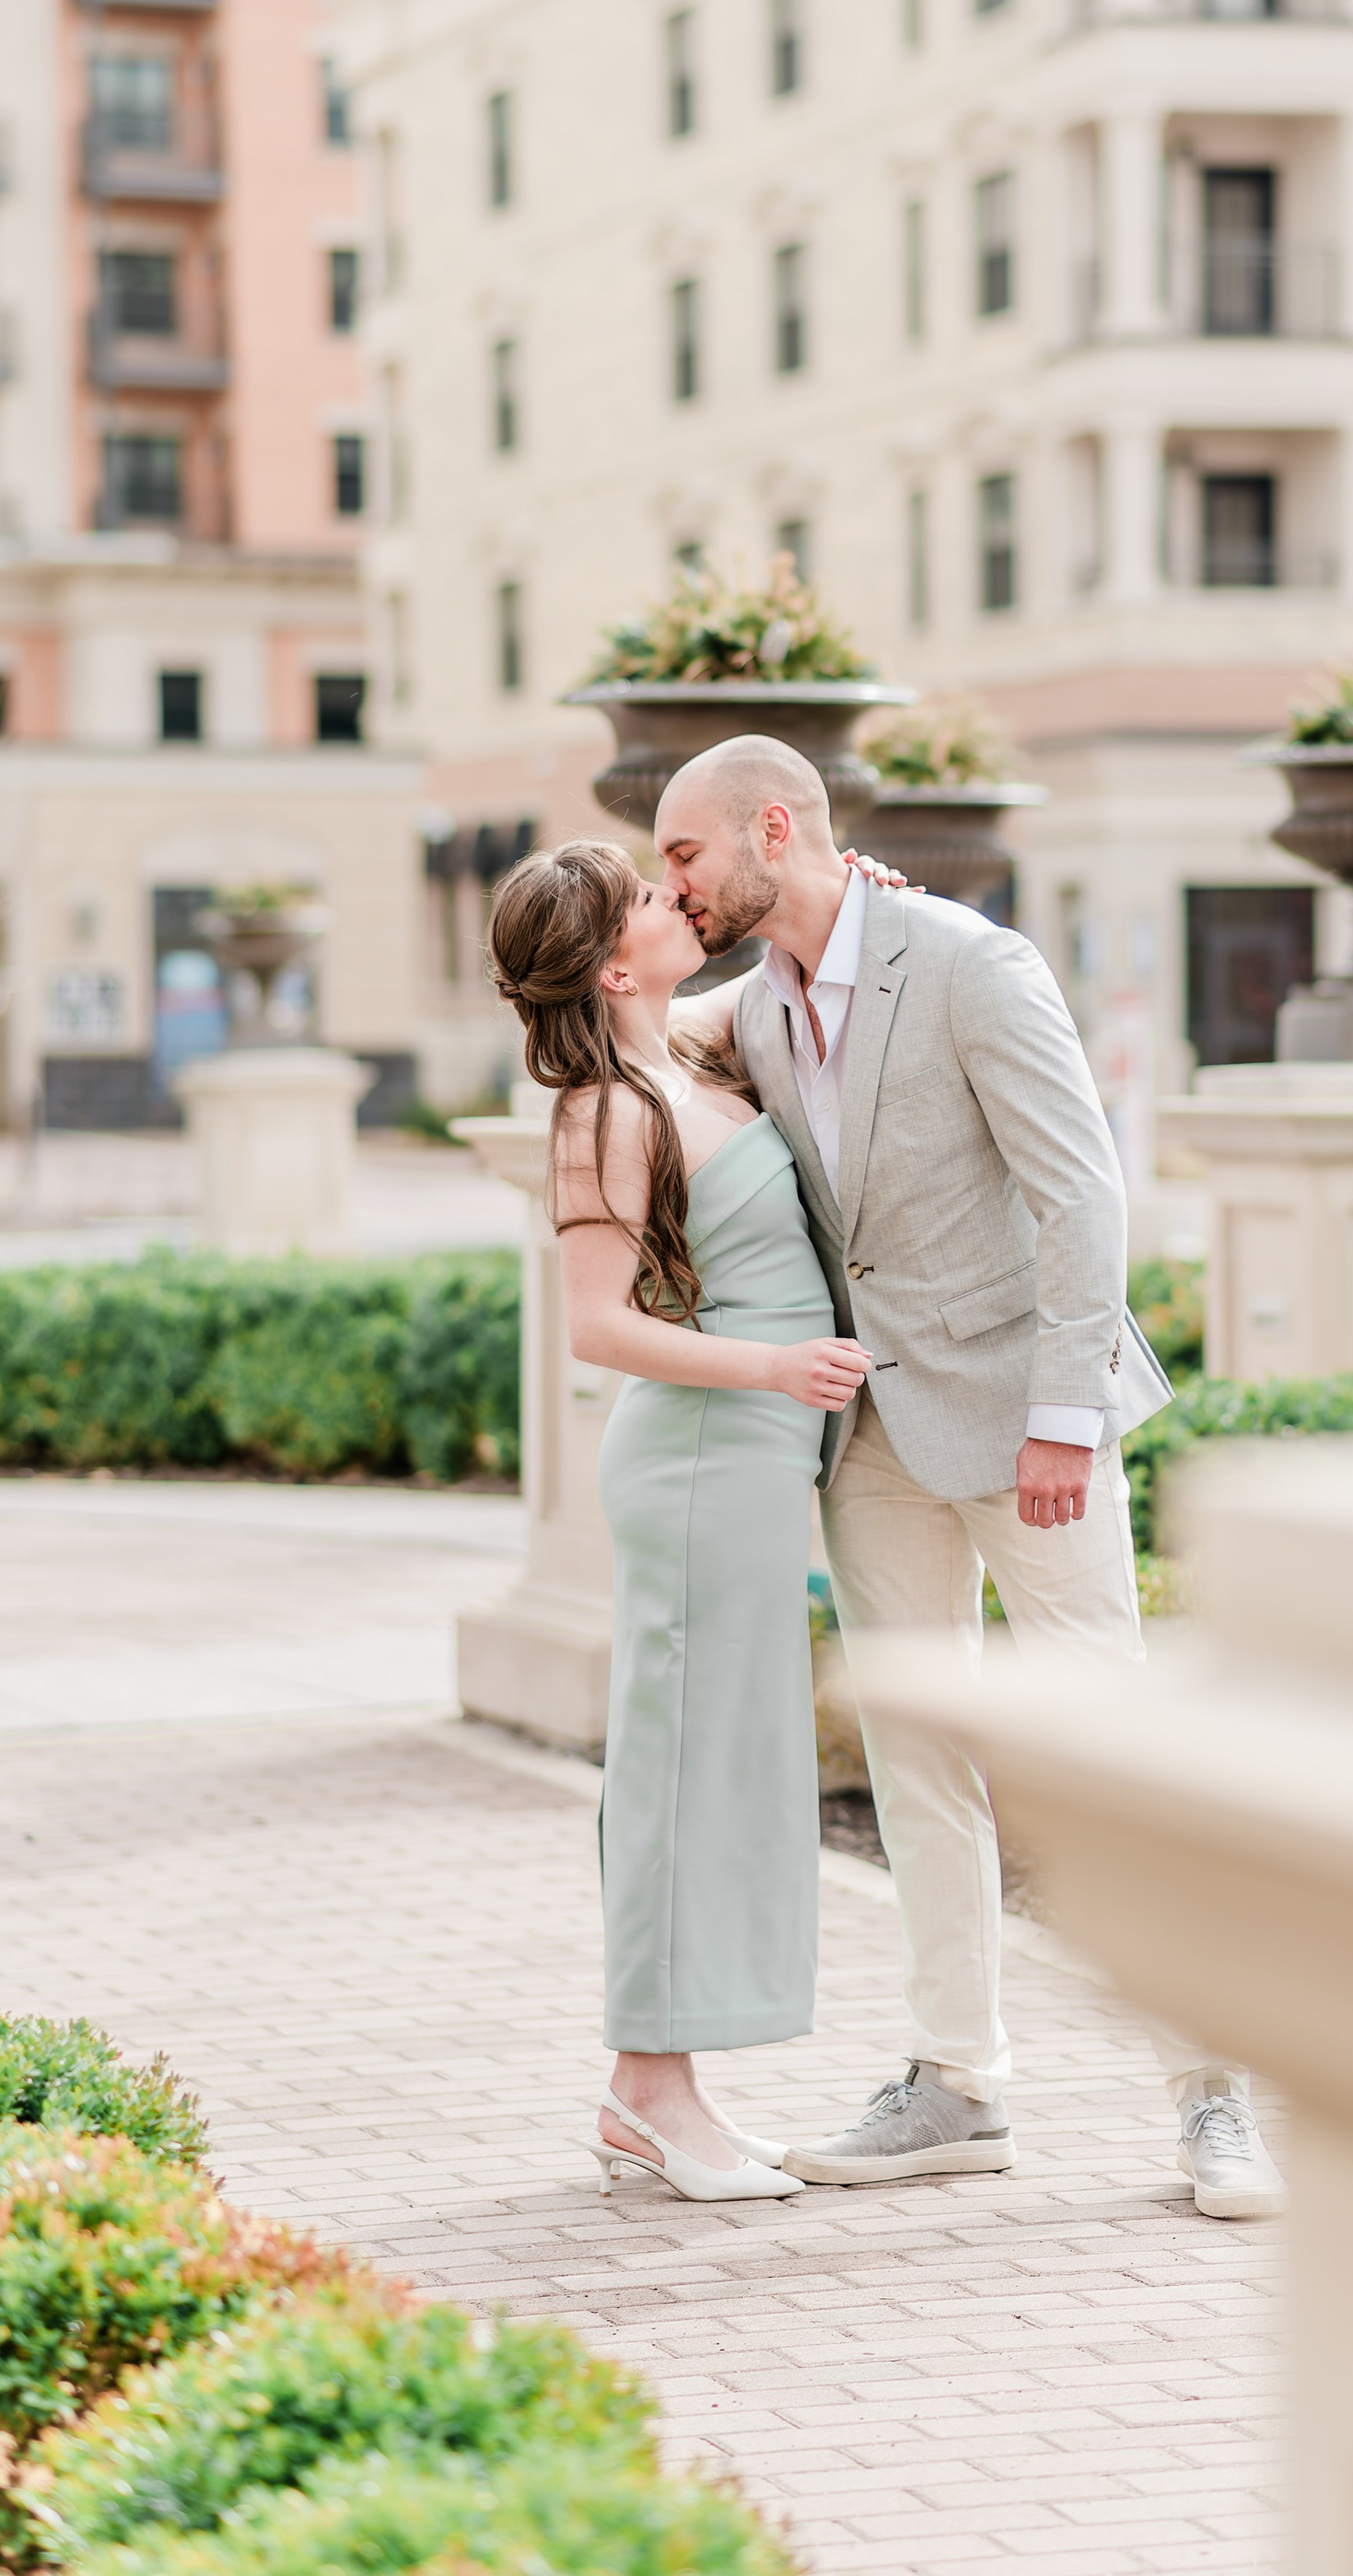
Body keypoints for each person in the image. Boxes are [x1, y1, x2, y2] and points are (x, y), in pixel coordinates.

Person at [657, 735, 1287, 2221]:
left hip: (1028, 1421)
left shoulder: (970, 963)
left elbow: (1081, 1186)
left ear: (772, 827)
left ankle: (1216, 2096)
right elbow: (605, 1016)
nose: (670, 886)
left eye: (684, 857)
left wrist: (1068, 1413)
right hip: (869, 1432)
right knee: (917, 1756)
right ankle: (956, 2084)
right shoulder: (745, 1009)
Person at [485, 839, 871, 2206]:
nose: (677, 900)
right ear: (610, 961)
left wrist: (849, 885)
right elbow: (599, 1327)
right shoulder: (603, 1107)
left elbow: (793, 963)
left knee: (731, 1768)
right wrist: (773, 1366)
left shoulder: (681, 1056)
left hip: (756, 1467)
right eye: (652, 900)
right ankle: (645, 2094)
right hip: (704, 1459)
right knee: (677, 1774)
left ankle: (675, 2089)